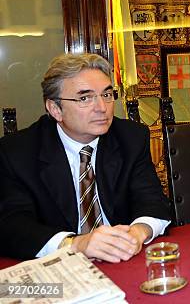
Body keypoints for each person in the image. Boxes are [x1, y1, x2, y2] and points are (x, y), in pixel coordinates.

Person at [0, 54, 171, 261]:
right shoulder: (18, 152)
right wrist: (76, 244)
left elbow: (153, 202)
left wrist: (137, 233)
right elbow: (11, 225)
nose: (101, 108)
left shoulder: (131, 137)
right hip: (60, 269)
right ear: (55, 109)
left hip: (123, 261)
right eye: (84, 98)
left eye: (107, 95)